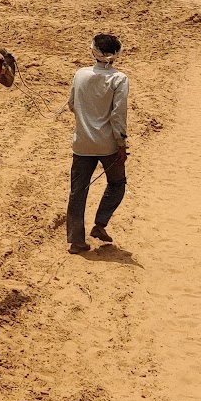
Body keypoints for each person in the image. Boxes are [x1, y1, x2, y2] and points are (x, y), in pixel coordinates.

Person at [64, 32, 128, 253]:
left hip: (82, 142)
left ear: (93, 51)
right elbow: (118, 115)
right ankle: (100, 224)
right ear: (116, 54)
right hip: (108, 144)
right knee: (117, 183)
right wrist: (122, 144)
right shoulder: (120, 79)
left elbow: (71, 104)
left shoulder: (80, 74)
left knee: (78, 191)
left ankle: (76, 241)